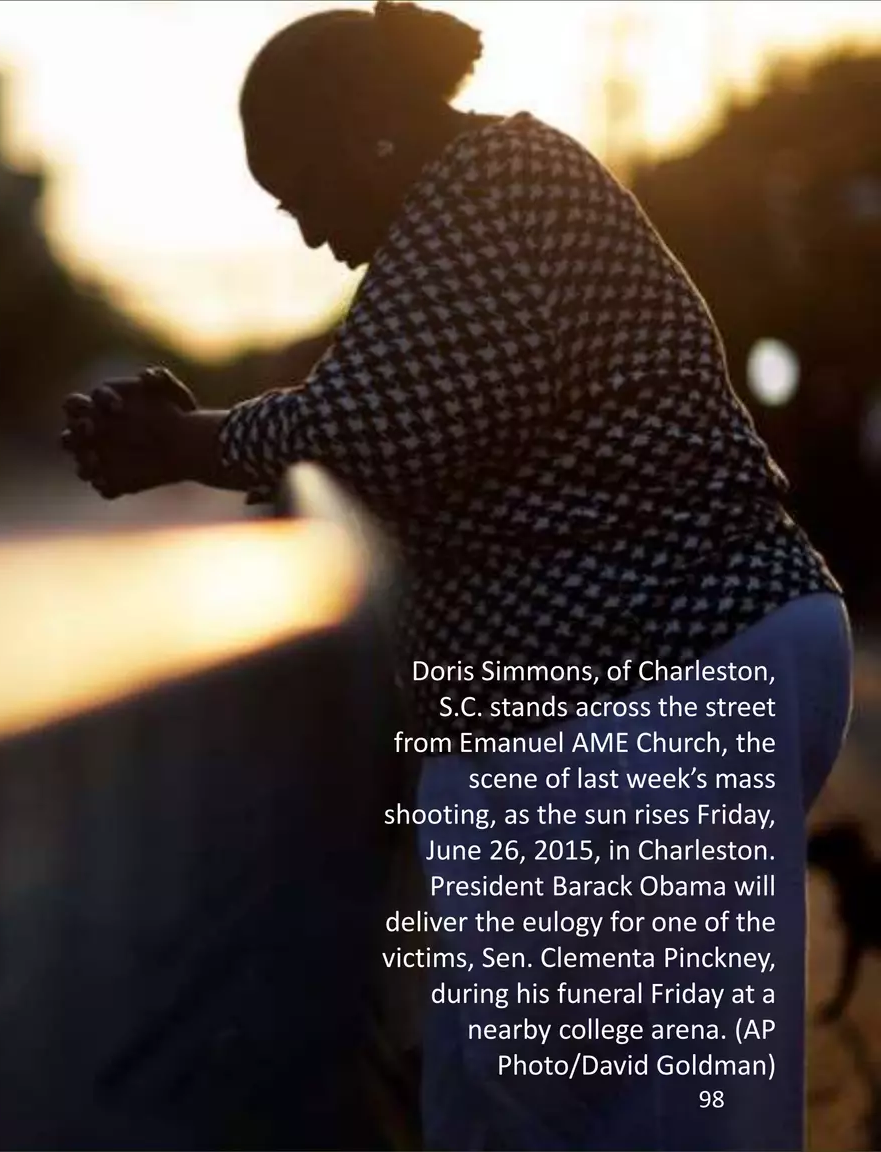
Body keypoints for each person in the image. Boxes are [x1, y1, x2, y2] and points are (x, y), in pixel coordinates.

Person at [60, 3, 850, 1149]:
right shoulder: (460, 211)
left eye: (301, 191)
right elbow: (388, 431)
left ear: (366, 132)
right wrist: (216, 439)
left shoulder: (492, 185)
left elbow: (381, 427)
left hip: (661, 677)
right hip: (642, 684)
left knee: (602, 1111)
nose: (309, 237)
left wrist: (185, 444)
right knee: (601, 1100)